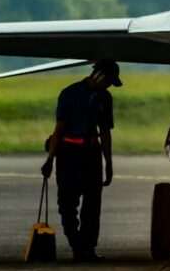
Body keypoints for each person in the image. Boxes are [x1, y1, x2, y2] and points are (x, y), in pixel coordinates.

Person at [40, 58, 122, 262]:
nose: (110, 85)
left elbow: (105, 132)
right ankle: (77, 245)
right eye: (109, 80)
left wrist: (108, 163)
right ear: (99, 76)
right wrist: (50, 159)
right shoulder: (69, 94)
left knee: (92, 205)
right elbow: (59, 129)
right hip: (68, 153)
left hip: (91, 153)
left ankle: (88, 248)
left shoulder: (105, 98)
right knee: (66, 203)